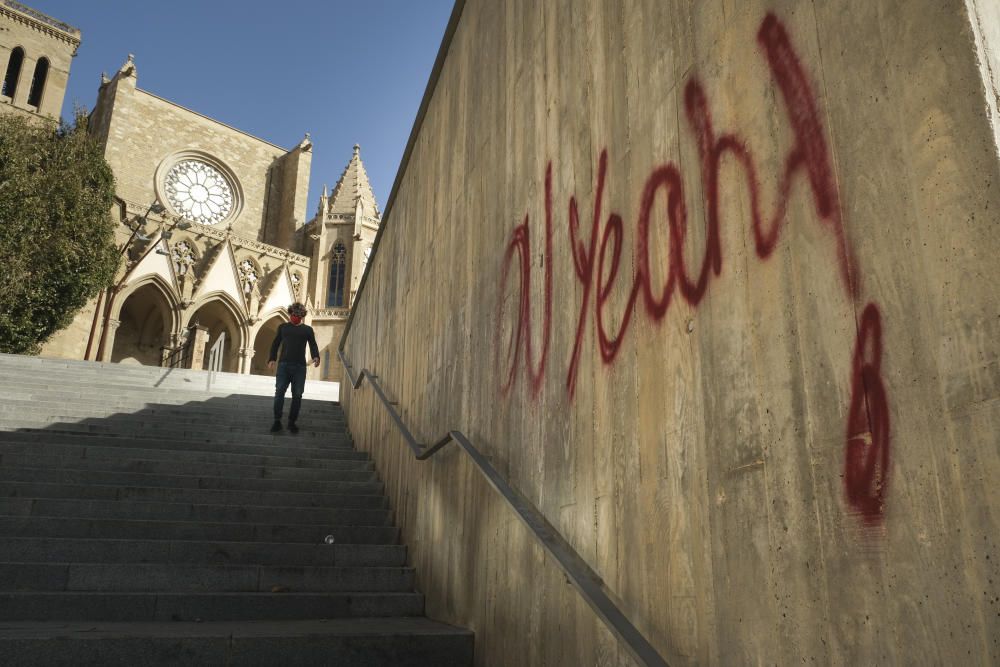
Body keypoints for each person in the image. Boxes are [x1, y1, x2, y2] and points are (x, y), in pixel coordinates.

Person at [267, 302, 320, 433]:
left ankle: (292, 422)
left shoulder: (307, 330)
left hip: (300, 367)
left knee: (297, 395)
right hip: (283, 365)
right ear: (290, 314)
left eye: (297, 315)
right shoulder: (283, 327)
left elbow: (313, 344)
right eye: (292, 314)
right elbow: (275, 344)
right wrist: (272, 359)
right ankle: (277, 421)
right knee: (279, 392)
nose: (294, 317)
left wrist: (316, 356)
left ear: (302, 316)